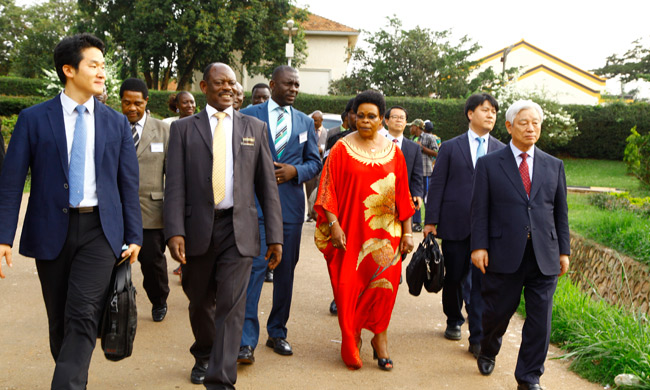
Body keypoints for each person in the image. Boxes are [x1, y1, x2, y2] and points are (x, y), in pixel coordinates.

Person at [0, 33, 142, 389]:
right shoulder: (33, 119)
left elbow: (128, 183)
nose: (102, 73)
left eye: (102, 65)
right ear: (68, 70)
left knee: (83, 316)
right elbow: (11, 182)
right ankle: (73, 378)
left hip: (100, 231)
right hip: (50, 231)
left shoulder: (115, 122)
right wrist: (3, 236)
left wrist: (134, 235)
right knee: (60, 323)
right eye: (93, 65)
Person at [163, 62, 283, 388]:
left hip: (238, 229)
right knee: (199, 300)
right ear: (205, 87)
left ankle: (220, 380)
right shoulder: (184, 129)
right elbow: (174, 185)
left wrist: (275, 236)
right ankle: (203, 352)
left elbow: (267, 189)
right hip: (198, 229)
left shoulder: (254, 128)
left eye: (232, 83)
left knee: (231, 307)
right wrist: (174, 231)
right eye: (220, 83)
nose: (228, 88)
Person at [470, 99, 570, 390]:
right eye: (524, 123)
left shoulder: (554, 166)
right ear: (509, 126)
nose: (531, 128)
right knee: (497, 314)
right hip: (503, 254)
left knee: (541, 320)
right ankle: (488, 347)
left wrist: (564, 250)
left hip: (544, 255)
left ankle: (528, 378)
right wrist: (479, 246)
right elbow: (480, 209)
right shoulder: (489, 164)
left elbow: (560, 212)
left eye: (536, 123)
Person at [314, 90, 415, 370]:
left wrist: (407, 232)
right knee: (349, 289)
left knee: (384, 289)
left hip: (387, 236)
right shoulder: (340, 149)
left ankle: (379, 338)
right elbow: (327, 191)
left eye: (372, 116)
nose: (366, 121)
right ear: (352, 117)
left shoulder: (394, 151)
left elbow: (402, 195)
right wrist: (333, 226)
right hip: (350, 235)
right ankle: (353, 337)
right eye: (360, 116)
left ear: (382, 119)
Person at [238, 65, 321, 364]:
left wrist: (295, 171)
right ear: (273, 84)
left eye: (298, 85)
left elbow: (316, 162)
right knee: (256, 270)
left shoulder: (304, 122)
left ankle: (277, 332)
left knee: (285, 272)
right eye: (289, 84)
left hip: (289, 210)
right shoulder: (248, 115)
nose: (294, 89)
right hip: (255, 208)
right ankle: (245, 341)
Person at [423, 93, 504, 358]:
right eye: (485, 110)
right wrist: (430, 221)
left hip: (489, 228)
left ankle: (478, 336)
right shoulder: (451, 147)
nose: (490, 114)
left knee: (482, 282)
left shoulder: (501, 150)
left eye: (493, 111)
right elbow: (437, 185)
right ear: (471, 114)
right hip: (455, 223)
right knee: (455, 277)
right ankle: (454, 319)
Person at [120, 78, 171, 322]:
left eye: (137, 103)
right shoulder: (111, 127)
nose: (132, 108)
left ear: (146, 101)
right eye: (127, 103)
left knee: (153, 263)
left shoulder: (163, 130)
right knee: (111, 262)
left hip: (151, 211)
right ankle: (115, 303)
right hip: (116, 211)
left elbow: (172, 175)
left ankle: (159, 300)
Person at [384, 106, 424, 225]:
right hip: (381, 198)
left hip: (404, 200)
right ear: (386, 121)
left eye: (402, 118)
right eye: (395, 117)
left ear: (406, 122)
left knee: (404, 238)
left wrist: (417, 193)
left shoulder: (414, 148)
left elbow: (417, 174)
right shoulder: (378, 143)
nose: (398, 120)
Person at [408, 119, 437, 232]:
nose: (410, 129)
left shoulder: (429, 138)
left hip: (426, 173)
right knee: (415, 197)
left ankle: (429, 222)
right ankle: (416, 222)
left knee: (426, 199)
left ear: (417, 127)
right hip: (414, 173)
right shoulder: (411, 139)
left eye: (412, 127)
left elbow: (437, 153)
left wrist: (422, 148)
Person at [305, 110, 328, 221]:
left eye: (316, 120)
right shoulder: (307, 132)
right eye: (312, 120)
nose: (314, 122)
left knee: (318, 191)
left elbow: (328, 149)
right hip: (310, 167)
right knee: (309, 191)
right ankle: (310, 213)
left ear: (321, 121)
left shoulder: (326, 133)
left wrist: (321, 149)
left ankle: (316, 213)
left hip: (321, 166)